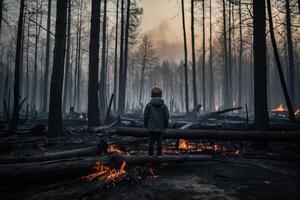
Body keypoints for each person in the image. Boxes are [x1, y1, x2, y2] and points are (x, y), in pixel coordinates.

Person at [144, 87, 169, 156]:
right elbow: (166, 117)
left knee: (150, 143)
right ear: (160, 95)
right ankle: (159, 155)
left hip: (151, 127)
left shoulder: (148, 105)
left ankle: (150, 156)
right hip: (160, 128)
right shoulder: (164, 106)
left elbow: (146, 116)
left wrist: (146, 125)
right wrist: (165, 126)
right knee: (159, 142)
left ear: (152, 95)